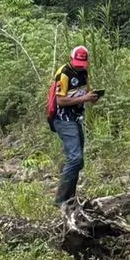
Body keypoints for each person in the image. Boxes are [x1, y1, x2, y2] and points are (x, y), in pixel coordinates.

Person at [48, 45, 102, 206]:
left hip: (76, 118)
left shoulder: (84, 73)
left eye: (82, 63)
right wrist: (83, 99)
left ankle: (70, 198)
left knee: (78, 161)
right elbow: (60, 100)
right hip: (63, 118)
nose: (79, 66)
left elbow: (82, 93)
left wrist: (90, 97)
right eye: (77, 62)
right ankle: (61, 200)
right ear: (71, 59)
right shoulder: (64, 73)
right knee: (75, 158)